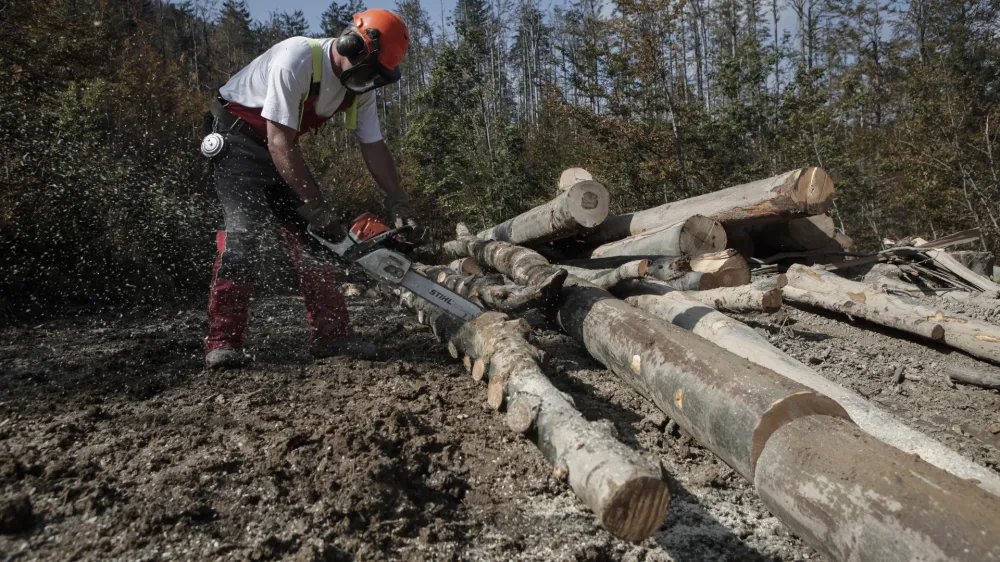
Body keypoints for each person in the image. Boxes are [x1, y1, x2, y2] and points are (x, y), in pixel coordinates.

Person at [201, 9, 416, 370]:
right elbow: (279, 142)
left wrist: (398, 200)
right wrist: (315, 205)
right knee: (244, 236)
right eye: (369, 71)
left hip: (278, 147)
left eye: (377, 76)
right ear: (352, 44)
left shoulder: (359, 86)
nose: (369, 81)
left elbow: (374, 145)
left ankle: (332, 336)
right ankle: (223, 341)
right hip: (236, 140)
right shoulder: (297, 58)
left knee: (317, 240)